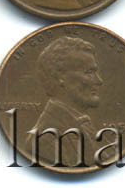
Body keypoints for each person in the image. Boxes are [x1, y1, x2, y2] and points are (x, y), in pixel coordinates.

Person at [29, 36, 103, 166]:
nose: (99, 81)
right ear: (60, 77)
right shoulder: (45, 139)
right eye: (89, 72)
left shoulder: (80, 124)